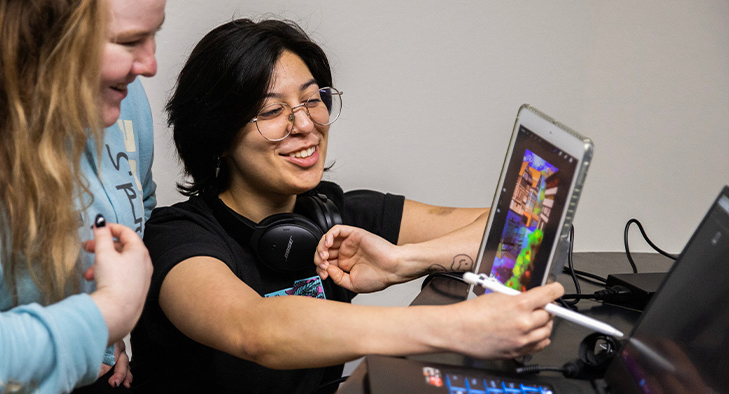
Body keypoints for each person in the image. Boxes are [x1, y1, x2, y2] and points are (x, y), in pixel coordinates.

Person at [129, 18, 564, 394]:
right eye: (271, 111)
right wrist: (462, 327)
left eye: (311, 99)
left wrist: (403, 261)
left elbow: (526, 224)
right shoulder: (177, 239)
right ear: (218, 136)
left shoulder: (336, 217)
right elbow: (255, 330)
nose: (305, 125)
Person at [0, 0, 164, 392]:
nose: (150, 65)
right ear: (45, 35)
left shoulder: (123, 98)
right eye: (129, 40)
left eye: (155, 34)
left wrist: (100, 340)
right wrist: (104, 314)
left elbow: (140, 197)